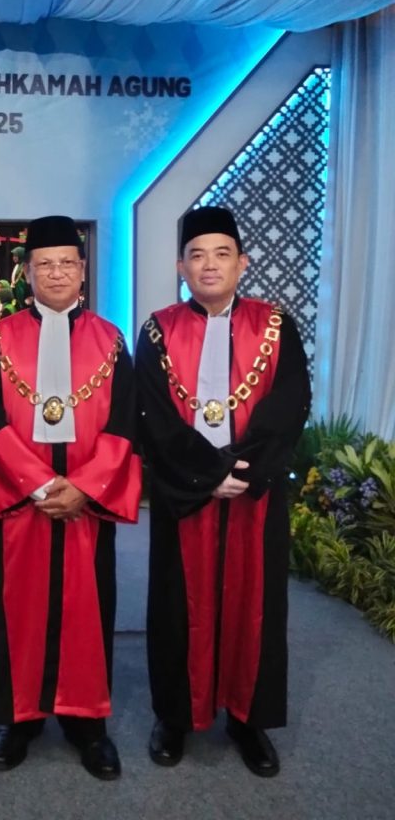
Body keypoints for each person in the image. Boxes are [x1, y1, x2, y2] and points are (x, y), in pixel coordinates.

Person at [134, 206, 311, 778]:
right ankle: (174, 716)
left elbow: (290, 404)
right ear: (180, 267)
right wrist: (207, 475)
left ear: (242, 263)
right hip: (184, 493)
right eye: (197, 255)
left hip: (253, 493)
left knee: (252, 604)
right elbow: (152, 414)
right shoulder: (158, 330)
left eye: (221, 254)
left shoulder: (275, 325)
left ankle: (247, 718)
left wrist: (244, 471)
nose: (209, 265)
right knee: (175, 605)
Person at [0, 215, 141, 780]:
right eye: (44, 264)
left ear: (82, 270)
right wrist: (39, 483)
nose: (55, 273)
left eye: (66, 263)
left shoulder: (110, 340)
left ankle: (87, 722)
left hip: (86, 506)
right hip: (21, 502)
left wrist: (86, 486)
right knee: (14, 611)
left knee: (87, 611)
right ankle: (17, 719)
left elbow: (124, 423)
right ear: (26, 272)